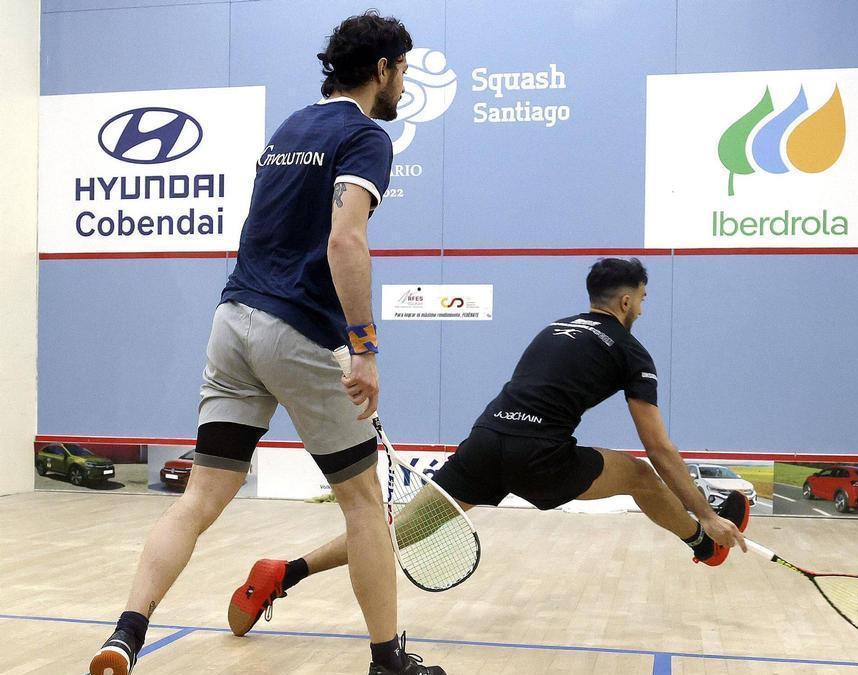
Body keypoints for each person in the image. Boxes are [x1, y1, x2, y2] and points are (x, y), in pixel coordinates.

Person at [89, 11, 444, 675]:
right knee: (365, 504)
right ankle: (387, 662)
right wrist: (363, 347)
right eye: (403, 70)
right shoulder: (366, 137)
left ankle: (125, 633)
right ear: (381, 70)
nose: (404, 84)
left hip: (233, 323)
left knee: (200, 497)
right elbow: (345, 241)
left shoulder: (290, 128)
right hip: (299, 333)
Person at [226, 258, 752, 639]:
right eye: (642, 297)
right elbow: (658, 447)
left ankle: (284, 572)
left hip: (487, 439)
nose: (643, 305)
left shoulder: (555, 329)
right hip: (537, 456)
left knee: (395, 534)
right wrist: (704, 514)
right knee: (638, 474)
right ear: (626, 301)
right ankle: (705, 545)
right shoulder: (630, 350)